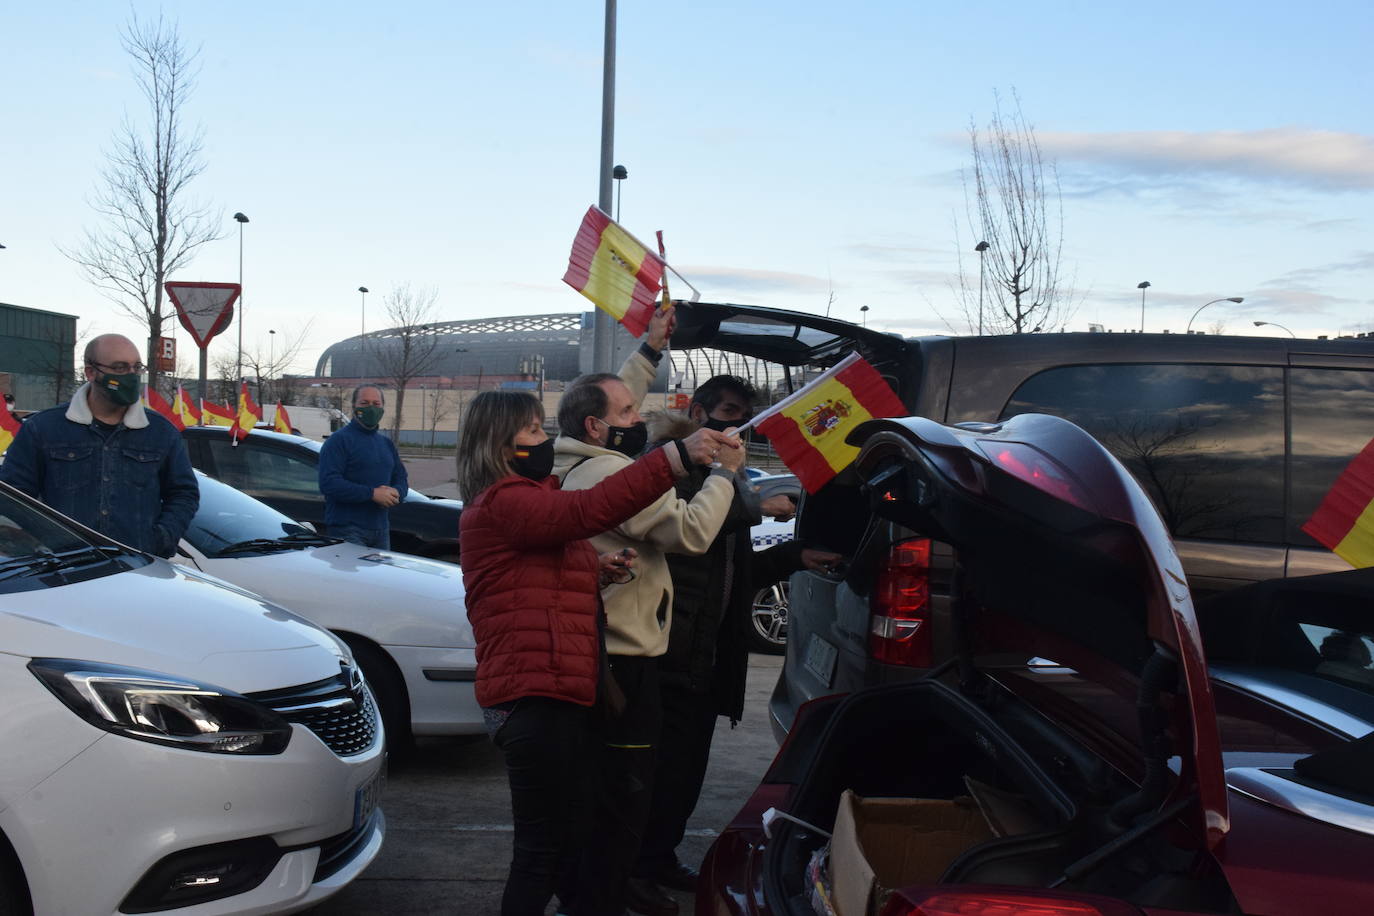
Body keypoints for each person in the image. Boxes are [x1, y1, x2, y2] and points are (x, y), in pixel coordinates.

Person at [456, 388, 735, 916]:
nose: (545, 441)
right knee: (541, 853)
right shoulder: (505, 501)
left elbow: (533, 577)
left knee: (566, 840)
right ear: (501, 443)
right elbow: (588, 510)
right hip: (533, 697)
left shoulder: (521, 501)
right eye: (535, 431)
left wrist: (593, 571)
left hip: (555, 690)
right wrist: (673, 457)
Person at [552, 311, 745, 916]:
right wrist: (724, 477)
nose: (639, 418)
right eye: (629, 416)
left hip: (601, 646)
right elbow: (689, 533)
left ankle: (594, 889)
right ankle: (606, 896)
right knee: (624, 796)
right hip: (627, 657)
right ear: (597, 427)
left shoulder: (575, 456)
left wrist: (650, 350)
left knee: (598, 793)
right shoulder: (611, 470)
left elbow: (609, 398)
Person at [633, 376, 843, 896]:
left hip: (705, 655)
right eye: (729, 412)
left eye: (746, 414)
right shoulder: (669, 466)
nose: (739, 425)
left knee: (684, 776)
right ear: (699, 415)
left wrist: (795, 557)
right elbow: (687, 535)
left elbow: (732, 566)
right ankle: (631, 873)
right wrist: (751, 504)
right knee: (650, 777)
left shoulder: (720, 475)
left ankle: (658, 858)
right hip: (665, 652)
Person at [0, 334, 198, 557]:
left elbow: (184, 494)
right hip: (64, 573)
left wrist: (162, 538)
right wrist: (45, 542)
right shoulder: (43, 429)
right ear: (91, 372)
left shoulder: (161, 432)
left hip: (141, 571)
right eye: (120, 368)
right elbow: (14, 498)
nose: (131, 376)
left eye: (136, 367)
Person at [317, 384, 407, 548]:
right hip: (347, 529)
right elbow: (329, 483)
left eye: (376, 404)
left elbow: (401, 478)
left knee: (380, 575)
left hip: (381, 530)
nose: (371, 408)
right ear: (353, 407)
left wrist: (396, 492)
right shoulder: (338, 441)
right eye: (364, 403)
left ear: (382, 407)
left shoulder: (386, 444)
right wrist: (372, 494)